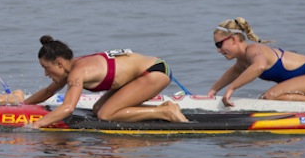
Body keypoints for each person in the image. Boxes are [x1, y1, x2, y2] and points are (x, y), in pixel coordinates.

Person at [24, 36, 187, 128]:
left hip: (154, 72)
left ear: (59, 63)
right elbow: (48, 92)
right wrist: (22, 105)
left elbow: (68, 108)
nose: (46, 73)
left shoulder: (77, 73)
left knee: (106, 114)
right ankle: (163, 108)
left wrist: (36, 125)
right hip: (148, 70)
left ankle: (165, 113)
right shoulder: (72, 67)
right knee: (98, 109)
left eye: (46, 68)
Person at [207, 17, 305, 106]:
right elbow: (234, 72)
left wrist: (231, 89)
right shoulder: (243, 61)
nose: (219, 50)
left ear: (234, 39)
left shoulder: (254, 50)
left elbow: (260, 66)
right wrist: (213, 91)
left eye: (219, 45)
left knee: (270, 97)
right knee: (265, 100)